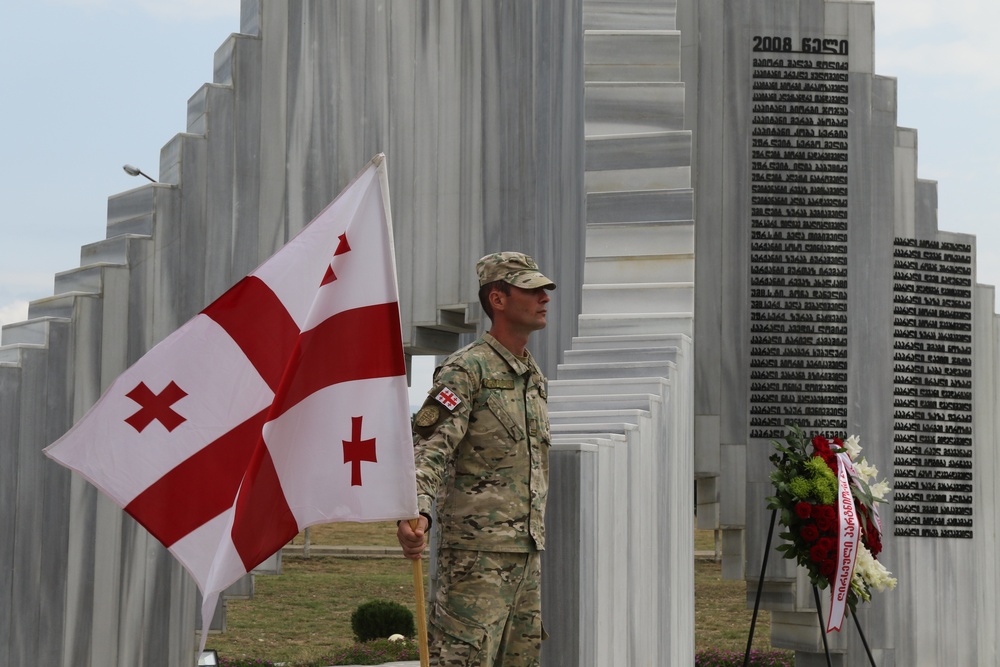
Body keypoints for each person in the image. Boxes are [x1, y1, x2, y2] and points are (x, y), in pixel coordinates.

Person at [397, 251, 555, 666]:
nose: (544, 298)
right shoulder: (465, 370)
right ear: (498, 300)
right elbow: (430, 446)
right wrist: (416, 512)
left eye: (544, 290)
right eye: (531, 289)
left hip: (525, 555)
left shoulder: (531, 375)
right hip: (475, 561)